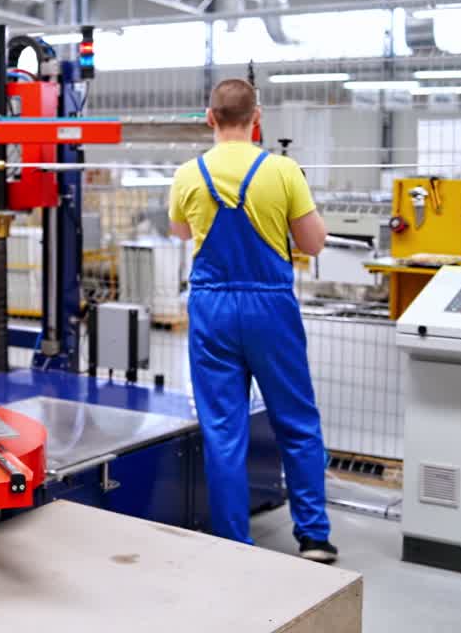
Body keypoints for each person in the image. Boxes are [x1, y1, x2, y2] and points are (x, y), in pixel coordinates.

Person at [167, 78, 337, 563]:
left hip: (212, 309)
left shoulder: (188, 173)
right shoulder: (282, 171)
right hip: (270, 310)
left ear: (210, 117)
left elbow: (181, 231)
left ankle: (234, 541)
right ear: (256, 118)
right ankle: (314, 538)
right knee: (297, 421)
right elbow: (313, 243)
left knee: (223, 427)